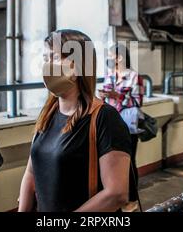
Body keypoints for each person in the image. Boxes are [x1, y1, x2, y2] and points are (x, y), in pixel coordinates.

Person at [18, 30, 132, 212]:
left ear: (78, 65)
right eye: (46, 58)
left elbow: (116, 193)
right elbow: (31, 174)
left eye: (54, 57)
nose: (47, 64)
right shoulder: (48, 113)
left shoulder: (105, 118)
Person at [101, 43, 145, 212]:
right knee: (111, 161)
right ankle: (116, 195)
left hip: (128, 124)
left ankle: (132, 199)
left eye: (110, 56)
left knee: (129, 161)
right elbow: (107, 95)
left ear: (119, 57)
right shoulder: (109, 74)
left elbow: (137, 101)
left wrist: (116, 96)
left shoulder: (134, 76)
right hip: (111, 123)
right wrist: (104, 95)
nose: (109, 59)